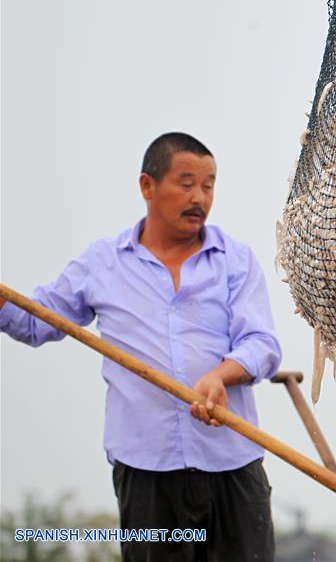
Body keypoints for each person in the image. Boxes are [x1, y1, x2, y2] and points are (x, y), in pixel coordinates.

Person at [0, 132, 282, 562]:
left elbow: (261, 344)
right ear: (147, 187)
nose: (199, 198)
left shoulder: (234, 260)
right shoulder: (103, 263)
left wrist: (221, 375)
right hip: (148, 474)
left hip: (232, 464)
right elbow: (36, 322)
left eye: (208, 186)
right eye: (185, 184)